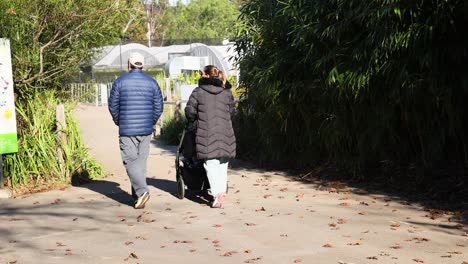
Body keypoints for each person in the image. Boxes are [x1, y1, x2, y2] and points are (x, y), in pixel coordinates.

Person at [108, 52, 164, 209]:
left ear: (129, 64)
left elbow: (113, 106)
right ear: (142, 65)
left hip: (127, 129)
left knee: (130, 161)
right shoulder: (152, 83)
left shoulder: (119, 82)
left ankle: (141, 192)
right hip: (146, 129)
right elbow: (159, 106)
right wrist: (151, 122)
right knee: (140, 162)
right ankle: (137, 196)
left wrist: (120, 121)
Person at [185, 65, 236, 208]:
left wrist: (195, 120)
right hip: (226, 132)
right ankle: (220, 191)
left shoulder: (199, 92)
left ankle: (217, 193)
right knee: (222, 164)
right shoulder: (226, 92)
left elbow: (190, 112)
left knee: (211, 165)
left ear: (206, 75)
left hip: (206, 133)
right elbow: (232, 112)